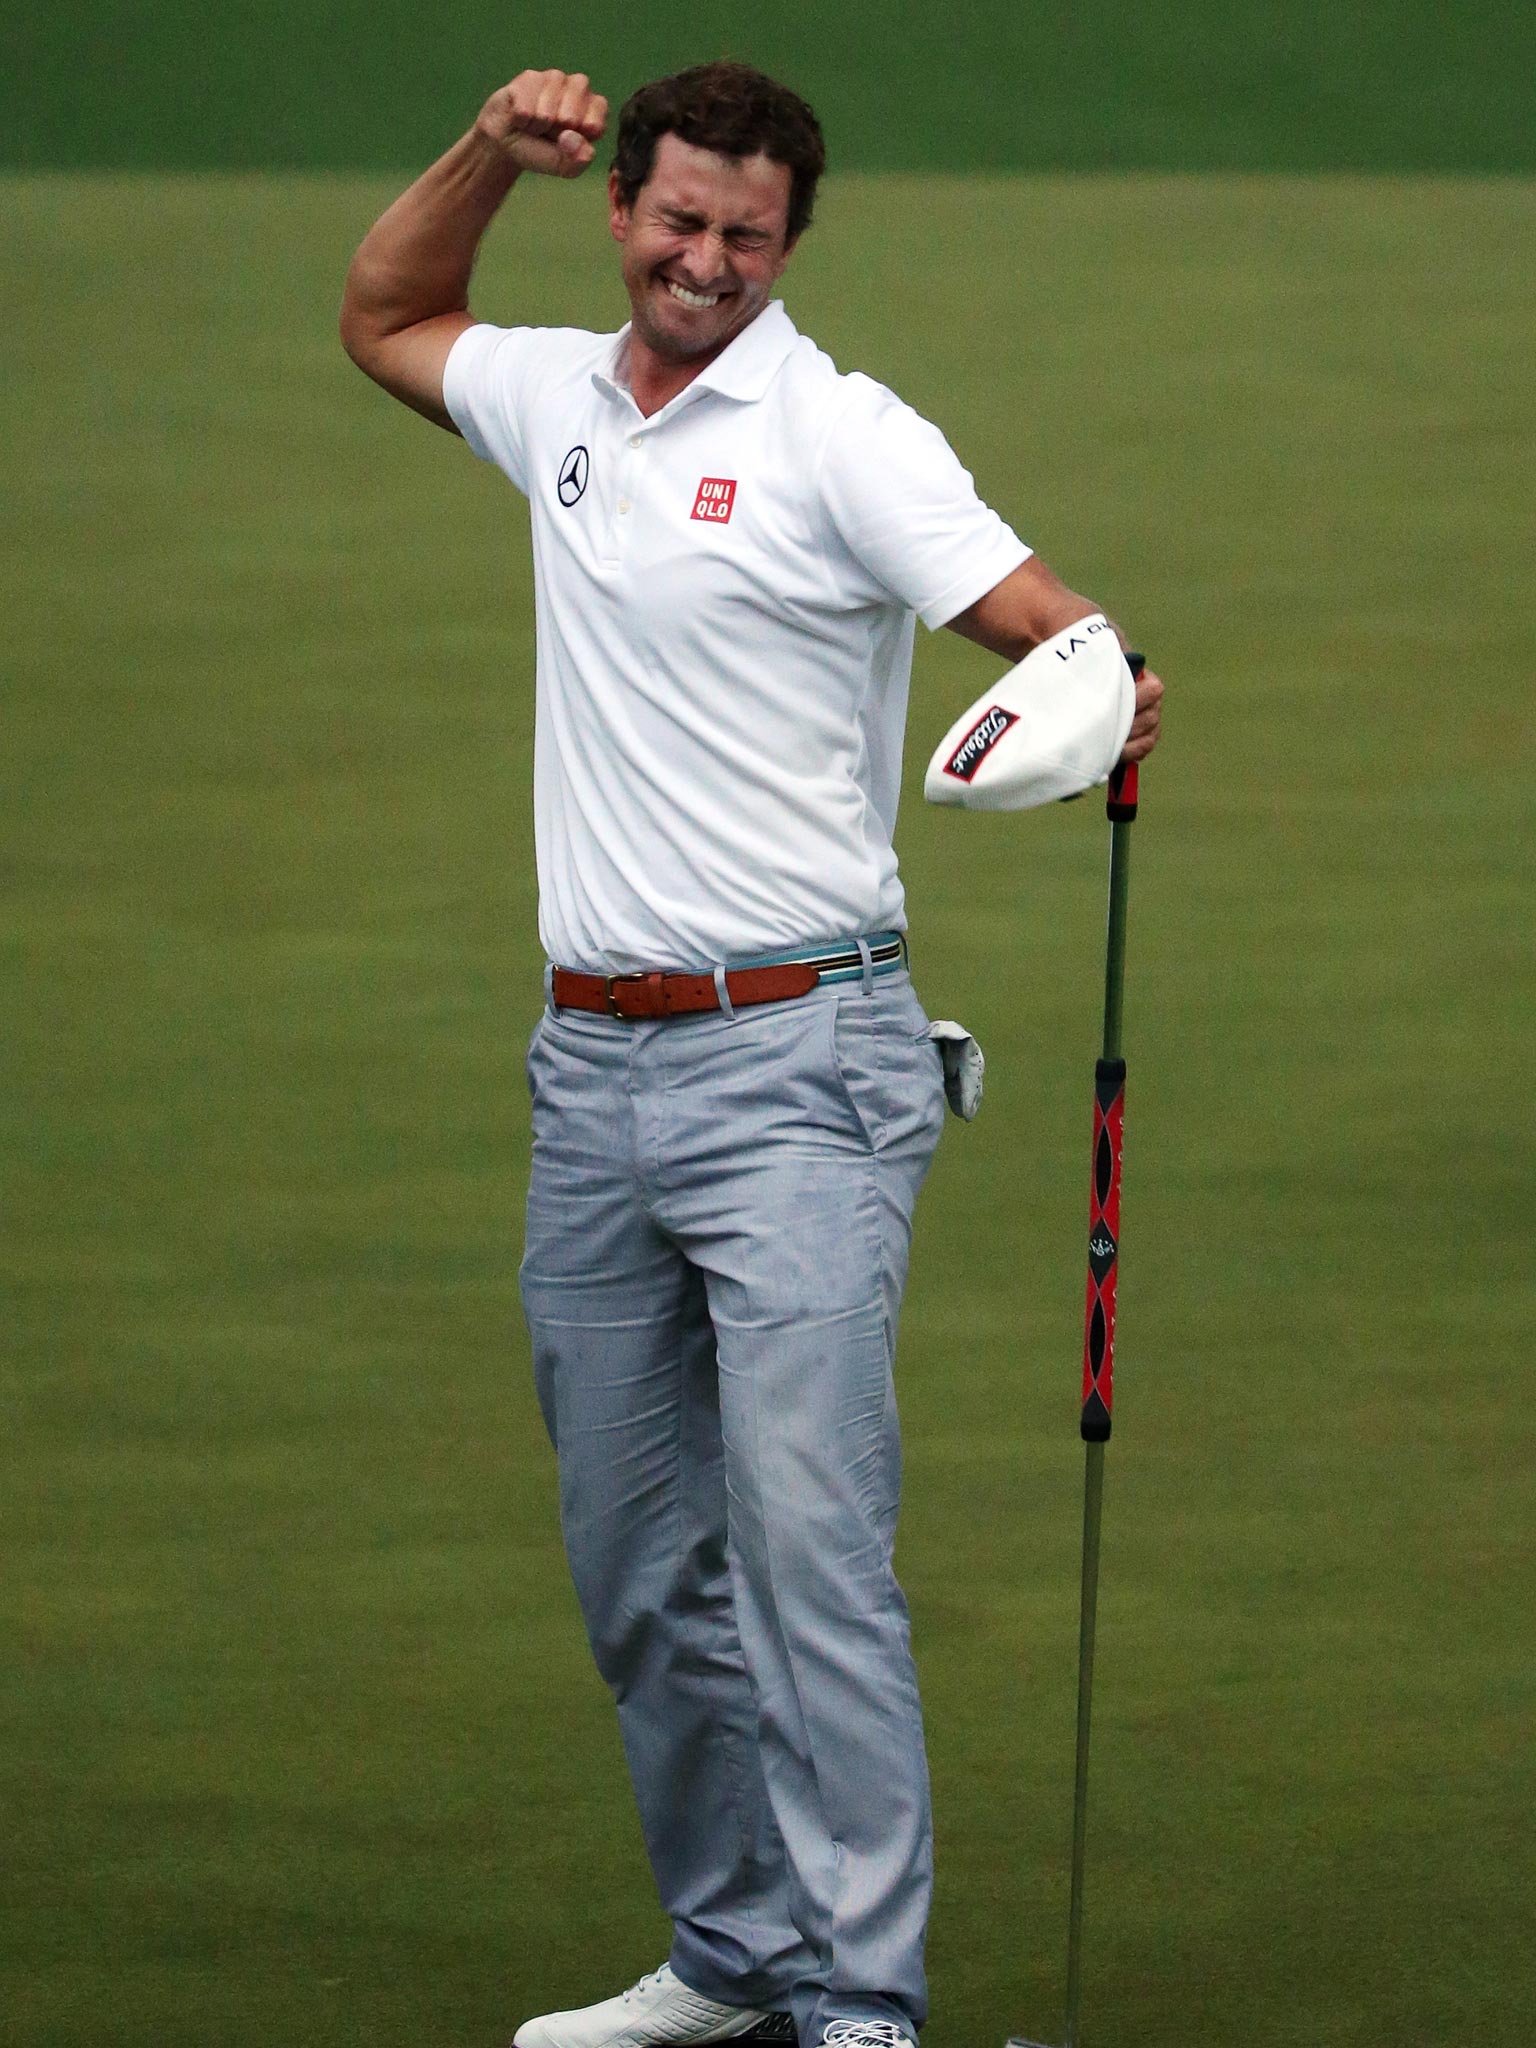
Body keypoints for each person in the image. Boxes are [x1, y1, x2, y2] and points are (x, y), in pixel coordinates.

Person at [340, 59, 1163, 2048]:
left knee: (809, 1563)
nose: (704, 260)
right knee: (639, 1566)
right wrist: (480, 156)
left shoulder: (837, 436)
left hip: (803, 1067)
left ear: (789, 246)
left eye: (746, 235)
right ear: (619, 203)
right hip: (591, 1078)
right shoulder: (552, 399)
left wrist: (1102, 696)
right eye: (675, 219)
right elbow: (383, 312)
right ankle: (737, 1952)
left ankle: (862, 2004)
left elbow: (1063, 633)